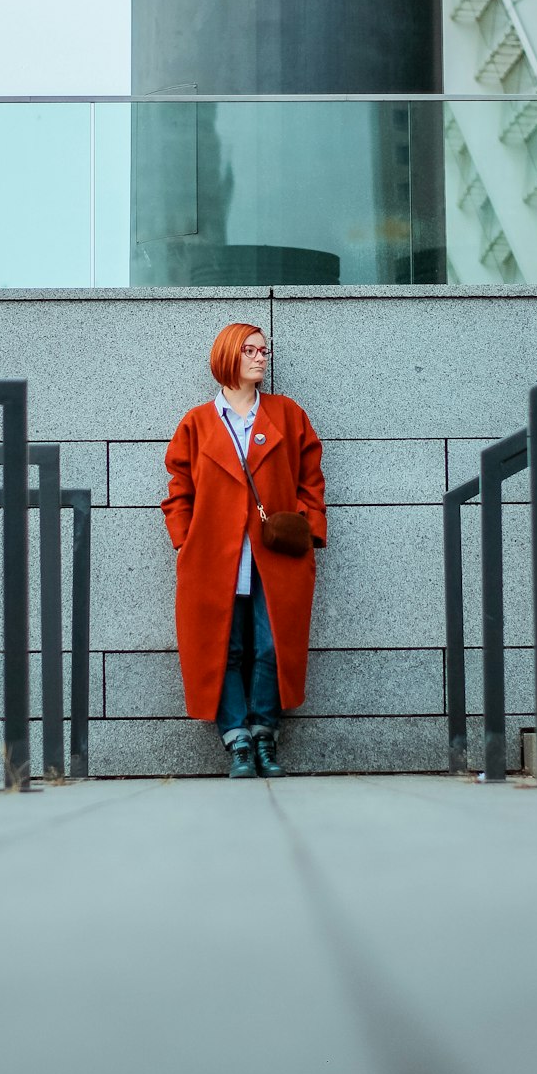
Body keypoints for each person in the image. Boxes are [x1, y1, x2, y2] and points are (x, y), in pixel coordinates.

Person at [162, 323, 327, 778]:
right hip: (214, 557)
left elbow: (311, 478)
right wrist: (186, 540)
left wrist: (308, 527)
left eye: (263, 349)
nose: (261, 357)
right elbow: (178, 489)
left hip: (277, 554)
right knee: (223, 648)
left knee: (273, 645)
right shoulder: (196, 423)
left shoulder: (287, 414)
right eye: (251, 350)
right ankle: (236, 739)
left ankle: (263, 734)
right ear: (228, 357)